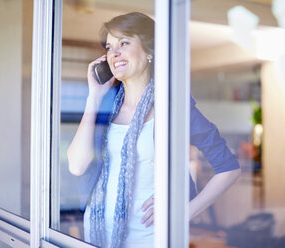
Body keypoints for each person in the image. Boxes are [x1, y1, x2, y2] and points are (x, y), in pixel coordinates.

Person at [67, 12, 241, 248]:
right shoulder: (105, 106)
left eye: (124, 43)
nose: (114, 53)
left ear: (149, 50)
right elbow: (77, 166)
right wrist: (94, 98)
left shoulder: (173, 108)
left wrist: (183, 213)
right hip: (97, 234)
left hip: (149, 238)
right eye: (109, 47)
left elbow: (228, 168)